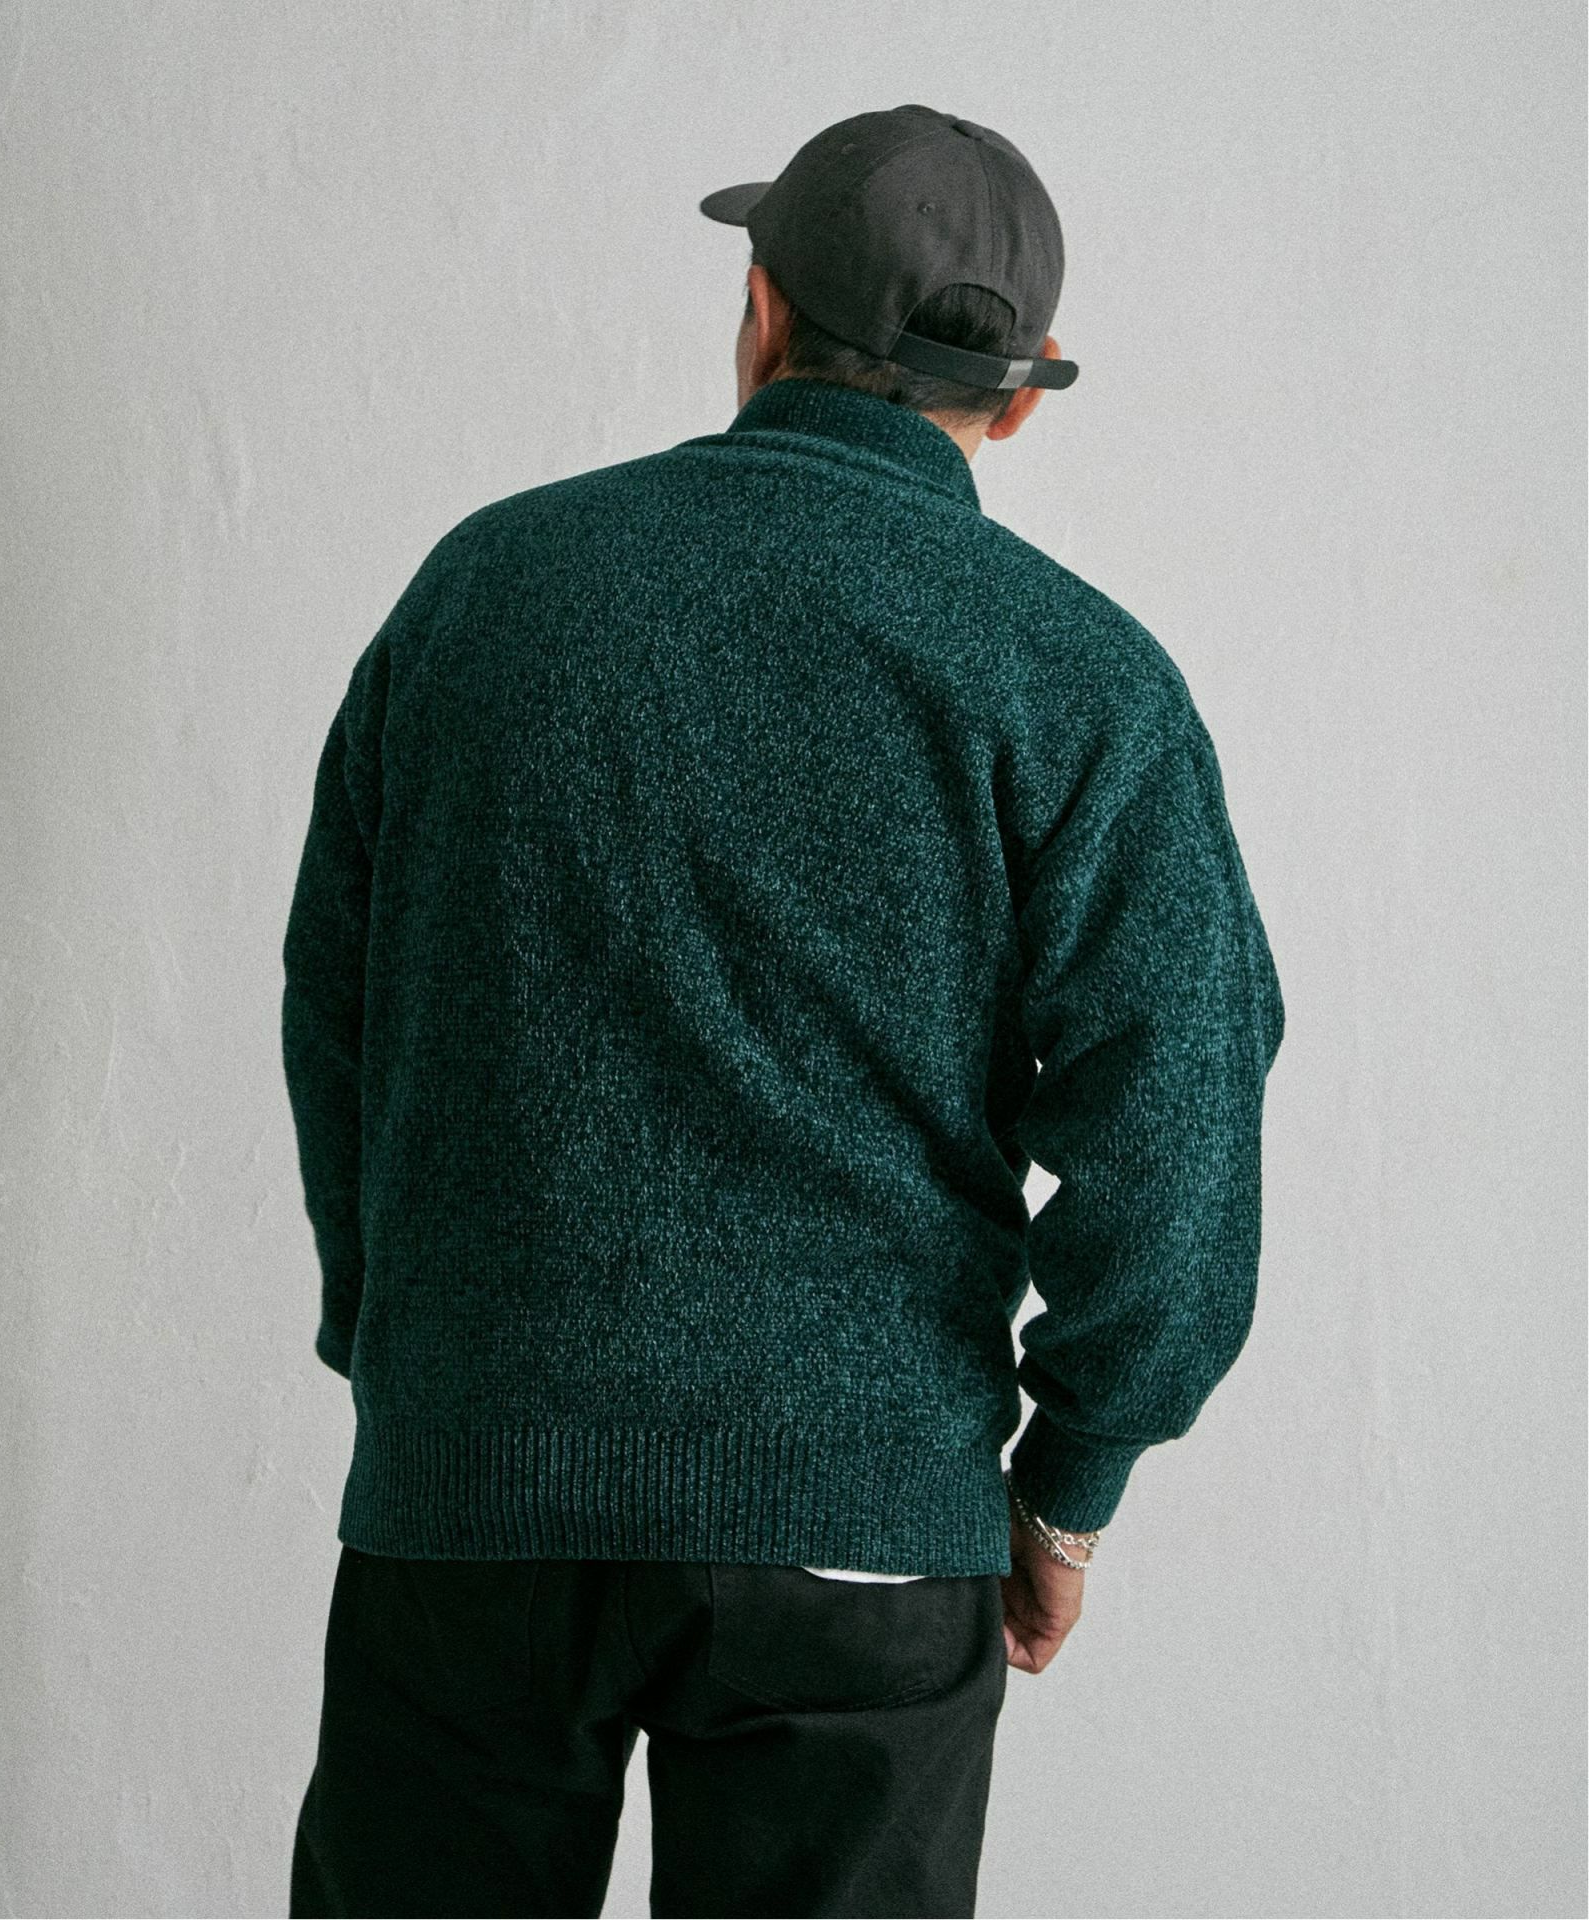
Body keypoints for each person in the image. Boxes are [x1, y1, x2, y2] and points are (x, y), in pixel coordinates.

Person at [281, 103, 1285, 1920]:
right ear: (1017, 402)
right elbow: (1181, 1127)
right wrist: (1068, 1483)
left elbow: (337, 1004)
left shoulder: (483, 591)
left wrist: (414, 1356)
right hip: (862, 1524)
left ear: (759, 312)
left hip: (474, 1485)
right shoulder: (1080, 680)